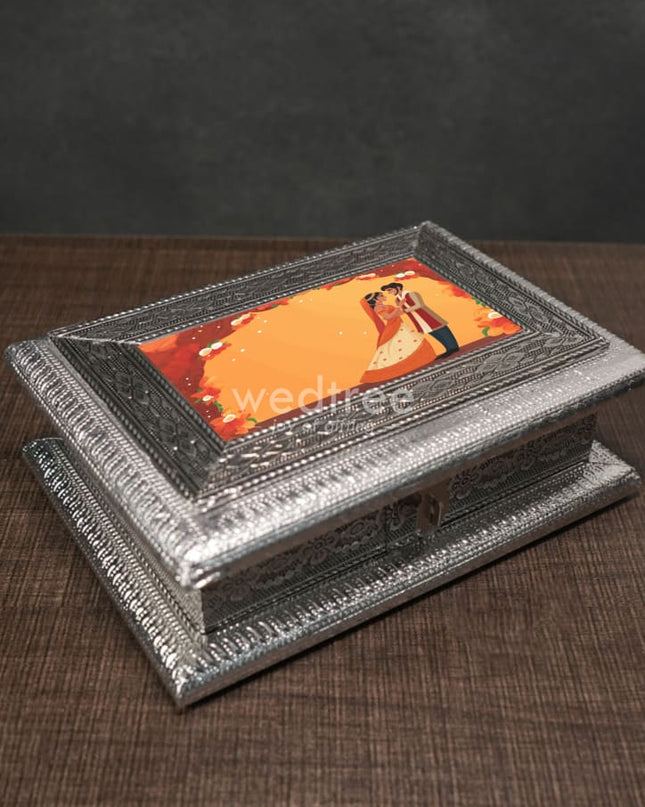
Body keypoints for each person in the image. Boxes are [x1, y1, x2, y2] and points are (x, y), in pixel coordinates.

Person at [359, 292, 436, 384]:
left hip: (399, 324)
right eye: (381, 296)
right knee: (394, 348)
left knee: (410, 342)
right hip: (393, 328)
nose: (384, 296)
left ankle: (415, 362)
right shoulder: (378, 308)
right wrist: (399, 306)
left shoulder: (385, 306)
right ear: (375, 299)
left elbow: (397, 313)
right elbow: (388, 317)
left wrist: (407, 308)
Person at [380, 282, 459, 357]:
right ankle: (448, 349)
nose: (389, 292)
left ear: (397, 287)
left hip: (427, 315)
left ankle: (453, 347)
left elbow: (419, 305)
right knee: (433, 333)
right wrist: (391, 315)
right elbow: (401, 310)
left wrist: (405, 310)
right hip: (417, 319)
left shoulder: (411, 294)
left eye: (390, 290)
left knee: (441, 330)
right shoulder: (397, 300)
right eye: (388, 291)